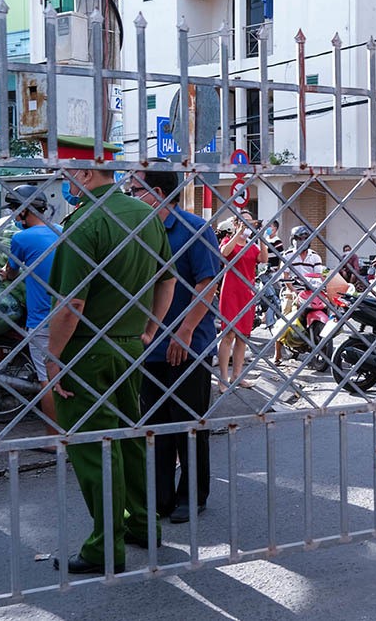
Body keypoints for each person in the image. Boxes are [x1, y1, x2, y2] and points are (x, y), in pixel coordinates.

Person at [46, 165, 175, 575]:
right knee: (130, 438)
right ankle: (143, 524)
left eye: (67, 174)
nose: (64, 182)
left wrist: (52, 358)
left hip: (86, 349)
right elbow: (167, 280)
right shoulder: (144, 215)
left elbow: (72, 305)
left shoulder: (86, 223)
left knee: (95, 448)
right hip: (129, 344)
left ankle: (105, 547)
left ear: (84, 174)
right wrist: (150, 328)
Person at [130, 169, 219, 523]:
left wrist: (183, 332)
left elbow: (207, 282)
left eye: (134, 189)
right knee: (156, 425)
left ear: (155, 191)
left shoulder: (194, 229)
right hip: (148, 344)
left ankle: (192, 496)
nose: (131, 195)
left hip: (189, 344)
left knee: (189, 424)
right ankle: (161, 494)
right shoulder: (138, 230)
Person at [0, 185, 61, 440]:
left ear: (24, 211)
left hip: (42, 319)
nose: (14, 217)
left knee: (47, 377)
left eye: (15, 211)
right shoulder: (62, 232)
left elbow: (10, 271)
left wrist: (5, 273)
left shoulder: (21, 239)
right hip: (69, 316)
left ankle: (52, 437)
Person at [218, 210, 267, 391]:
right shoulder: (229, 241)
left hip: (248, 293)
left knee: (243, 337)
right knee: (229, 335)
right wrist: (238, 233)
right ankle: (223, 378)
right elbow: (224, 252)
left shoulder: (251, 245)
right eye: (245, 221)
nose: (249, 224)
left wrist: (261, 238)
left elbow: (263, 259)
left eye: (251, 222)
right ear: (237, 223)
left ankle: (237, 376)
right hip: (231, 291)